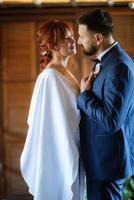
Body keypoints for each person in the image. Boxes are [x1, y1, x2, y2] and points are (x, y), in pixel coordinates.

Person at [20, 20, 85, 200]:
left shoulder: (64, 71)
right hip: (62, 149)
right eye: (66, 38)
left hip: (75, 144)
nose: (73, 41)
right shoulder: (50, 77)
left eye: (72, 37)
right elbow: (55, 121)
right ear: (53, 45)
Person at [77, 9, 134, 200]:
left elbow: (111, 121)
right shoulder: (107, 62)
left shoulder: (119, 66)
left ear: (98, 38)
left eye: (81, 37)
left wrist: (84, 96)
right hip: (100, 162)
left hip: (107, 164)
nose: (79, 42)